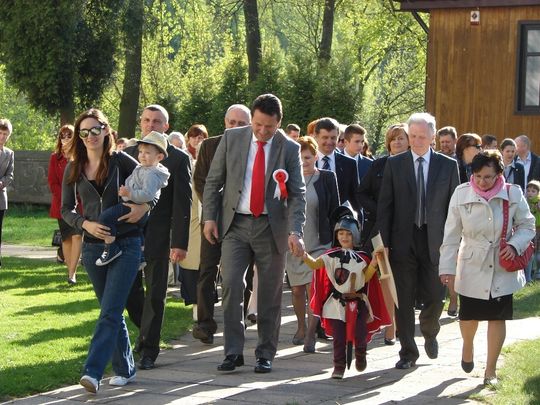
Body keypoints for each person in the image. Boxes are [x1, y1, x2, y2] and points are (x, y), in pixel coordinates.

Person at [203, 94, 306, 374]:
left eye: (269, 127)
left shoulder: (289, 148)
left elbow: (297, 193)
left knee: (270, 294)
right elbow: (213, 181)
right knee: (231, 285)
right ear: (252, 118)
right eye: (257, 125)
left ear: (279, 123)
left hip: (271, 228)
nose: (262, 131)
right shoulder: (232, 138)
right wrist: (209, 217)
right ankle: (233, 352)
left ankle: (265, 353)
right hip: (235, 224)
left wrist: (296, 231)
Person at [61, 108, 143, 392]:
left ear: (106, 130)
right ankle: (125, 368)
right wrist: (85, 225)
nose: (90, 136)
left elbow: (152, 184)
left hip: (126, 243)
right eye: (84, 132)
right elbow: (66, 209)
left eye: (95, 129)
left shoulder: (121, 161)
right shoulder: (74, 167)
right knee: (111, 310)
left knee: (110, 311)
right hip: (93, 248)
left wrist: (144, 206)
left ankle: (92, 372)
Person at [439, 151, 534, 386]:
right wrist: (447, 267)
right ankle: (468, 346)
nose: (482, 181)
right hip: (472, 263)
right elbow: (451, 234)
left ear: (499, 174)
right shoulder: (461, 193)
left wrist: (514, 245)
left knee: (497, 317)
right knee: (469, 315)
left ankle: (490, 370)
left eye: (488, 177)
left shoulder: (513, 193)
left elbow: (527, 225)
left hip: (501, 264)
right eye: (478, 176)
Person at [377, 112, 460, 370]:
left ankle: (429, 329)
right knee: (402, 298)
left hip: (435, 240)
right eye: (412, 136)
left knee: (435, 294)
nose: (416, 141)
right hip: (403, 239)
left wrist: (455, 243)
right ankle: (407, 353)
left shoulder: (448, 166)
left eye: (422, 136)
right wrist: (383, 242)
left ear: (433, 136)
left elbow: (455, 209)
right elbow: (385, 205)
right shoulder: (395, 164)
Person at [125, 104, 192, 371]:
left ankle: (149, 349)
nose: (150, 125)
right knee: (130, 292)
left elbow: (183, 203)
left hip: (160, 235)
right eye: (146, 120)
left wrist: (180, 242)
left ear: (166, 126)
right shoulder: (130, 153)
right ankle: (145, 332)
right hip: (129, 233)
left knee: (155, 292)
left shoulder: (178, 159)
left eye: (156, 121)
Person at [303, 208, 390, 379]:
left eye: (348, 234)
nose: (344, 237)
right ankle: (339, 366)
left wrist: (373, 263)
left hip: (358, 302)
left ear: (355, 235)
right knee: (339, 337)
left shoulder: (362, 257)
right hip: (336, 303)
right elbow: (315, 265)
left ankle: (360, 354)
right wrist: (304, 255)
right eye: (341, 233)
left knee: (360, 333)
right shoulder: (330, 256)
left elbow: (365, 278)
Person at [192, 104, 252, 344]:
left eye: (241, 124)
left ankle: (239, 321)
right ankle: (204, 323)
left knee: (242, 274)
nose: (235, 127)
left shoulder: (254, 148)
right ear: (225, 122)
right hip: (213, 219)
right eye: (232, 122)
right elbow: (201, 182)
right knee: (208, 270)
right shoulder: (209, 146)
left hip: (243, 221)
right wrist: (213, 212)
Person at [357, 123, 409, 344]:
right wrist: (381, 211)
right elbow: (362, 193)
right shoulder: (378, 164)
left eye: (401, 138)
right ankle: (390, 327)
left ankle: (403, 323)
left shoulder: (413, 166)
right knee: (386, 277)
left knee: (403, 280)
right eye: (393, 138)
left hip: (406, 232)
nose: (396, 142)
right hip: (380, 231)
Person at [286, 136, 339, 352]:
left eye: (307, 157)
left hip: (319, 243)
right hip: (293, 243)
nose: (303, 162)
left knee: (313, 288)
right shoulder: (287, 178)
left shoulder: (327, 178)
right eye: (299, 158)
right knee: (297, 290)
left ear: (315, 156)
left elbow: (335, 211)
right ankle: (300, 327)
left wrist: (337, 243)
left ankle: (310, 333)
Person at [95, 131, 170, 266]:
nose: (142, 155)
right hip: (133, 203)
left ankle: (111, 249)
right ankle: (141, 257)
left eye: (147, 153)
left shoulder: (151, 174)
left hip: (132, 204)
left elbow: (148, 195)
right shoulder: (144, 168)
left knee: (105, 218)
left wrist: (129, 193)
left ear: (159, 157)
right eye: (140, 152)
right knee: (136, 230)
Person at [47, 125, 82, 284]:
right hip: (62, 204)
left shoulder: (80, 157)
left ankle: (73, 272)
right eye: (63, 136)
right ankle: (70, 271)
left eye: (69, 136)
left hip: (80, 203)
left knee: (77, 235)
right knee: (67, 239)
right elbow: (52, 182)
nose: (66, 139)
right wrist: (65, 198)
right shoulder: (55, 158)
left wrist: (78, 196)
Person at [313, 117, 360, 214]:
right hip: (312, 218)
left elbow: (356, 199)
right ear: (316, 137)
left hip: (340, 220)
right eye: (325, 137)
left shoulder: (349, 164)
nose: (329, 142)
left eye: (333, 138)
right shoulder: (306, 162)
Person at [0, 118, 14, 267]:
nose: (2, 136)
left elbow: (10, 175)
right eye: (0, 133)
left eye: (5, 134)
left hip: (0, 198)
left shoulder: (9, 153)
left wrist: (2, 183)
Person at [525, 180, 540, 282]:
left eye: (533, 191)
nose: (530, 193)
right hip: (528, 229)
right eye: (528, 190)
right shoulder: (524, 202)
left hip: (538, 229)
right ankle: (529, 275)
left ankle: (537, 271)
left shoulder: (538, 202)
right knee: (529, 252)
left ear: (538, 193)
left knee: (537, 252)